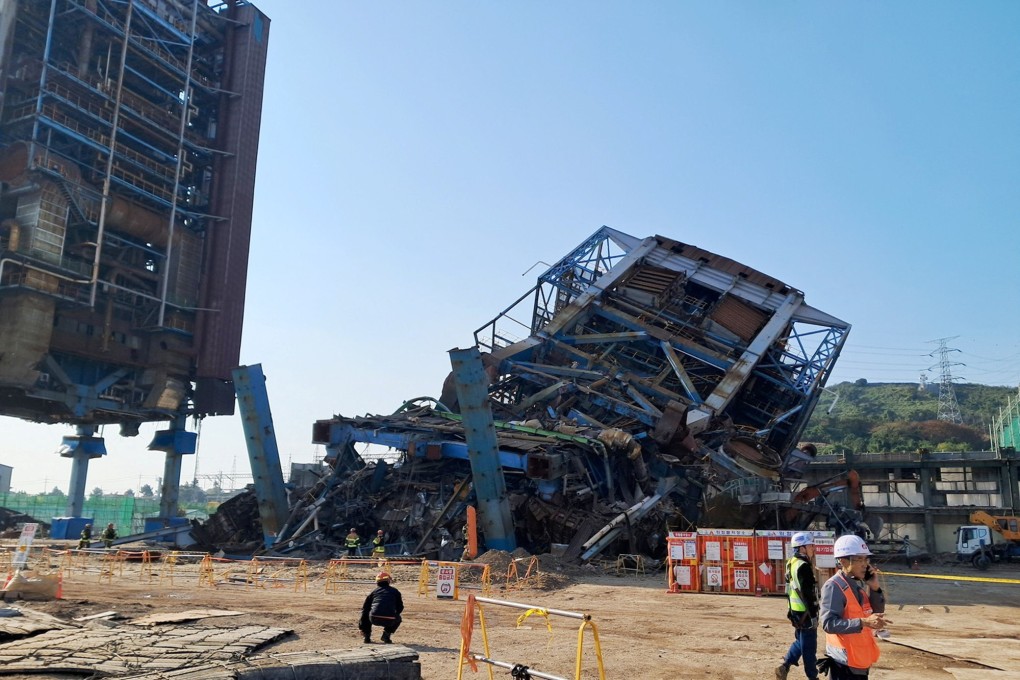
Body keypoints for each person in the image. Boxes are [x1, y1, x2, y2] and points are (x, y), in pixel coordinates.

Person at [817, 535, 888, 679]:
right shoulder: (834, 586)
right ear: (843, 561)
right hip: (843, 665)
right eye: (859, 559)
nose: (864, 564)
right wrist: (863, 622)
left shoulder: (858, 586)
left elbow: (877, 611)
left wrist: (874, 588)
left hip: (859, 661)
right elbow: (828, 623)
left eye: (865, 559)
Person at [776, 531, 820, 680]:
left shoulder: (791, 562)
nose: (813, 548)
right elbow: (808, 594)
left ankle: (785, 666)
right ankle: (813, 677)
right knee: (809, 648)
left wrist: (790, 610)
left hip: (796, 611)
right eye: (811, 545)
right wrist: (813, 615)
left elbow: (789, 589)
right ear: (802, 548)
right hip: (806, 613)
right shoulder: (803, 566)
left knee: (800, 641)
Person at [359, 571, 403, 644]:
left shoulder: (373, 592)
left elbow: (365, 609)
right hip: (390, 620)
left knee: (366, 614)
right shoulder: (395, 591)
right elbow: (400, 607)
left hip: (374, 618)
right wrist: (394, 614)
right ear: (389, 581)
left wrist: (361, 627)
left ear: (377, 582)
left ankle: (366, 637)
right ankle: (386, 635)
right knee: (398, 618)